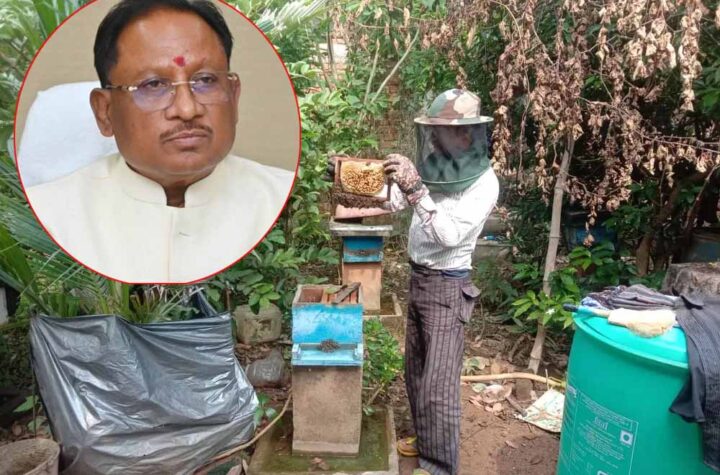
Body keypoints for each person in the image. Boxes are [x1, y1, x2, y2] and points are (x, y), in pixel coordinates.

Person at [23, 0, 295, 283]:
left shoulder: (280, 197)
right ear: (105, 112)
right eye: (153, 85)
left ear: (234, 97)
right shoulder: (50, 215)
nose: (187, 109)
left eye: (205, 80)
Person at [331, 89, 498, 475]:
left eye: (443, 130)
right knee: (417, 371)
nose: (436, 137)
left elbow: (448, 236)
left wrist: (417, 190)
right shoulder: (436, 166)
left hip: (449, 286)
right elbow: (393, 201)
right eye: (433, 130)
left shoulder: (484, 183)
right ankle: (425, 441)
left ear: (467, 133)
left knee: (438, 385)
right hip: (419, 279)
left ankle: (439, 466)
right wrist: (346, 181)